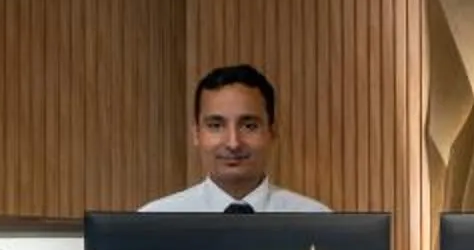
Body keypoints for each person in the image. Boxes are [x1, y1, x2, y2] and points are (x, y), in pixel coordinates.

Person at [138, 64, 330, 213]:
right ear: (196, 134)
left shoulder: (317, 222)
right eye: (215, 126)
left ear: (272, 132)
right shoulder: (152, 222)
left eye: (249, 126)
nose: (233, 143)